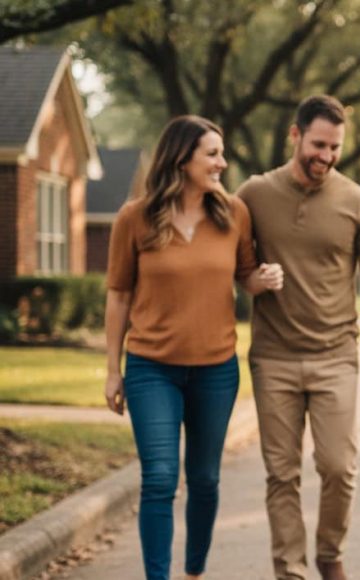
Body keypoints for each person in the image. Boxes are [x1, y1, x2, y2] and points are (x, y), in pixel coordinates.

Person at [104, 115, 284, 580]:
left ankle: (193, 573)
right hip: (151, 368)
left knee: (204, 479)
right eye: (213, 154)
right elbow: (119, 294)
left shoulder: (232, 214)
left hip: (215, 370)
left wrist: (260, 280)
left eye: (222, 153)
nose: (223, 163)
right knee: (160, 478)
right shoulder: (134, 218)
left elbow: (245, 274)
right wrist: (112, 369)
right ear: (181, 158)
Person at [236, 95, 360, 580]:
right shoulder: (254, 195)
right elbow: (238, 266)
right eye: (318, 144)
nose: (326, 155)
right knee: (281, 474)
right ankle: (291, 571)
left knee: (338, 467)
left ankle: (329, 553)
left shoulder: (358, 202)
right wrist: (252, 282)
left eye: (335, 147)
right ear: (295, 134)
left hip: (335, 356)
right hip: (273, 358)